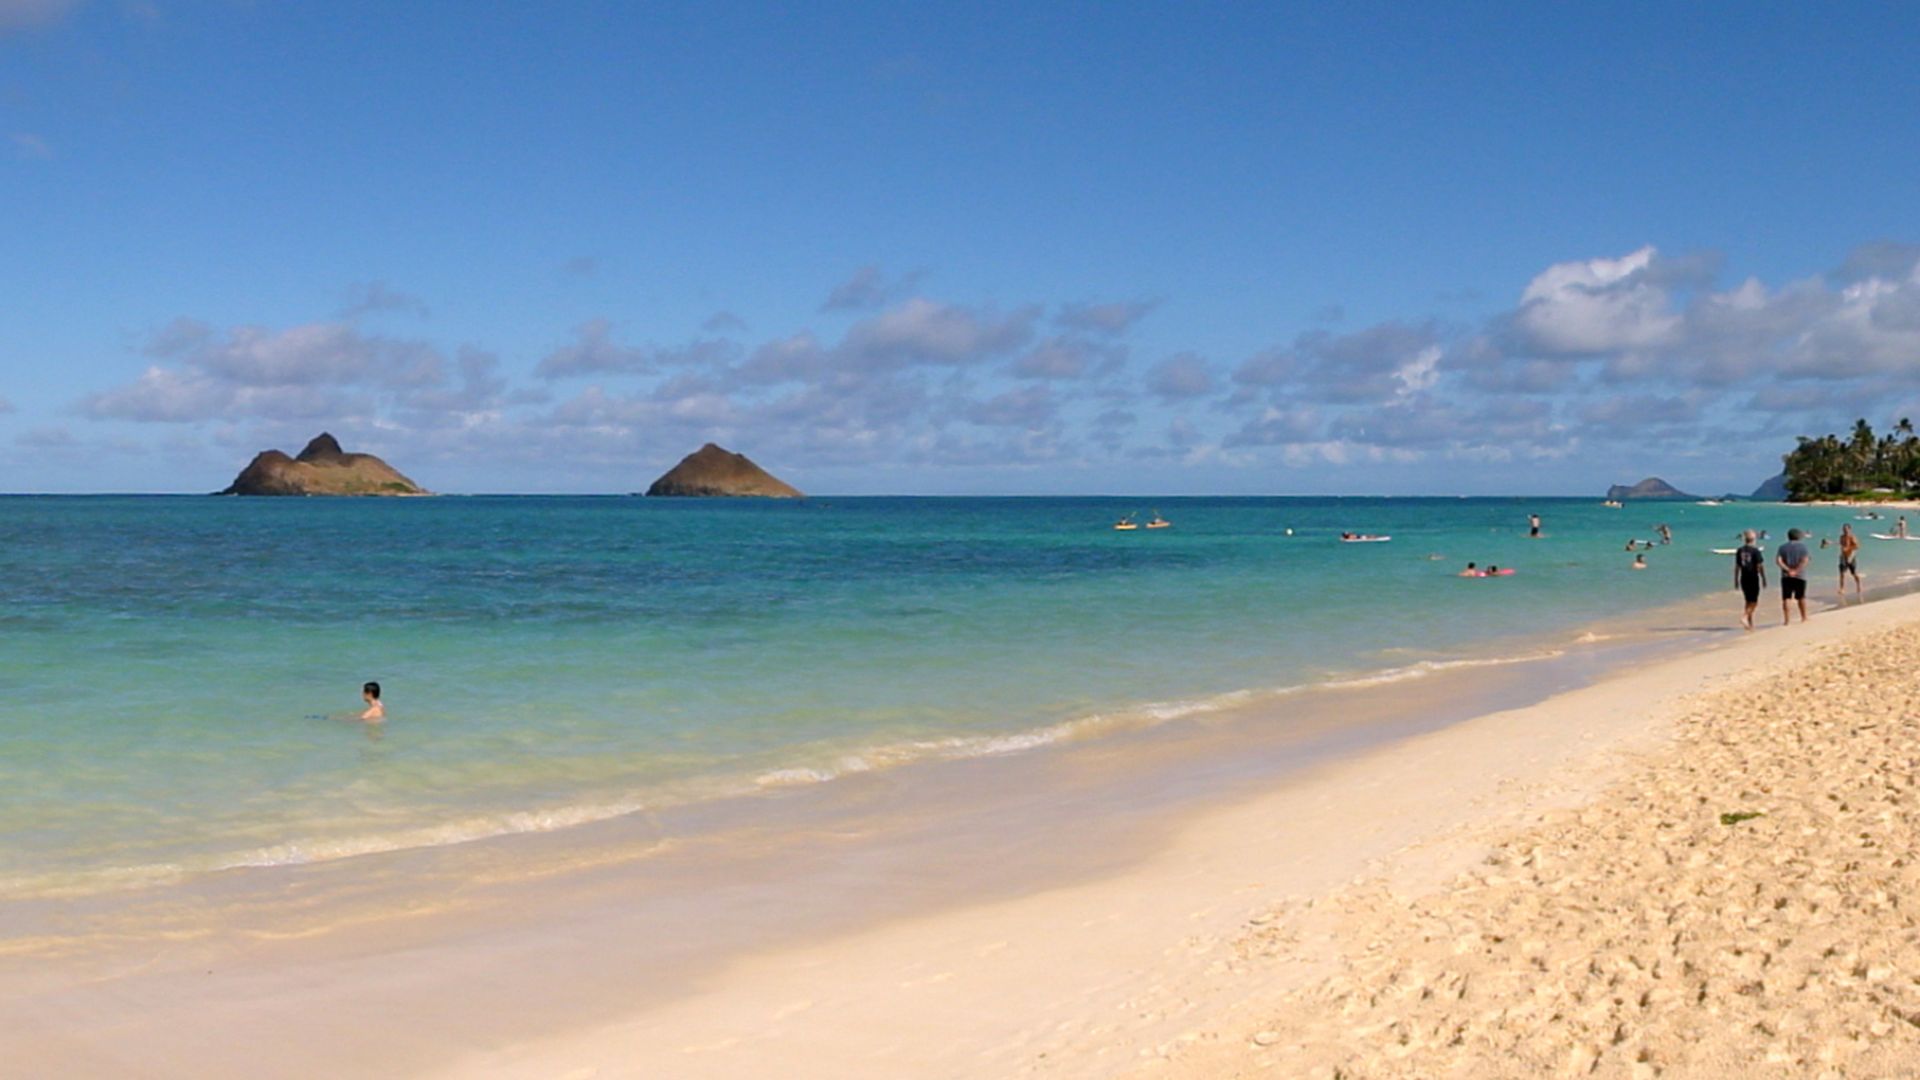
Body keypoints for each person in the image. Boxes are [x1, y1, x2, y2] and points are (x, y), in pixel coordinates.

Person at [1733, 530, 1767, 631]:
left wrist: (1735, 580)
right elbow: (1760, 566)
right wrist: (1763, 578)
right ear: (1753, 539)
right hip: (1753, 577)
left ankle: (1750, 624)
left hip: (1743, 577)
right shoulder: (1755, 551)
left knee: (1748, 601)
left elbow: (1737, 566)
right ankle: (1745, 617)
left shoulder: (1740, 550)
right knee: (1754, 602)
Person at [1777, 528, 1811, 625]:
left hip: (1786, 576)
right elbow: (1805, 560)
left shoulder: (1782, 547)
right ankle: (1804, 617)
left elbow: (1778, 561)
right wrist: (1796, 570)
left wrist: (1788, 570)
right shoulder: (1803, 547)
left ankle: (1787, 620)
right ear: (1799, 536)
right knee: (1801, 597)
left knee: (1786, 598)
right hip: (1800, 576)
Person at [1839, 523, 1863, 599]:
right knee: (1842, 573)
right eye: (1843, 529)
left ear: (1849, 529)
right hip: (1843, 557)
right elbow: (1842, 546)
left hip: (1851, 557)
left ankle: (1859, 585)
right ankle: (1842, 589)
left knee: (1854, 573)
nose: (1845, 531)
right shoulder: (1842, 537)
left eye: (1846, 529)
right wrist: (1842, 551)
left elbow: (1857, 547)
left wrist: (1848, 550)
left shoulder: (1852, 537)